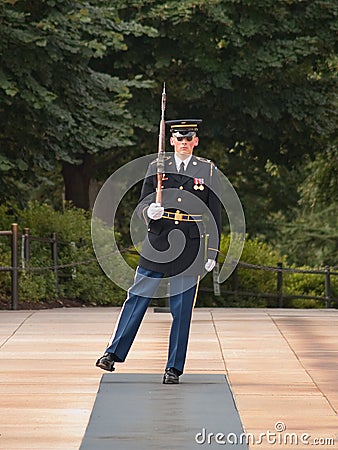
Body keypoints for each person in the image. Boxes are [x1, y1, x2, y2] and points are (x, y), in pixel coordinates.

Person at [96, 119, 222, 384]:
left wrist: (212, 252)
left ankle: (173, 368)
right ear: (172, 141)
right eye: (180, 139)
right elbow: (142, 203)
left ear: (195, 141)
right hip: (159, 241)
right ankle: (112, 353)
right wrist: (148, 213)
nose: (185, 143)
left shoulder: (207, 171)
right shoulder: (157, 167)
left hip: (190, 245)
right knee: (137, 298)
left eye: (189, 139)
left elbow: (215, 214)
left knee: (182, 309)